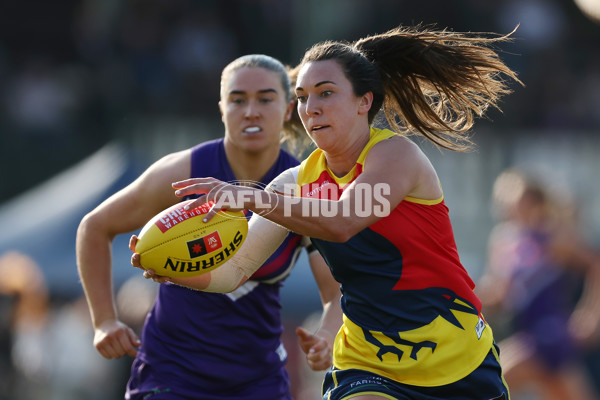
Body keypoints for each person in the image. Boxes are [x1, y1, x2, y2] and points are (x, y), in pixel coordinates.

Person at [134, 25, 524, 399]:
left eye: (325, 93)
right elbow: (233, 271)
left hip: (457, 355)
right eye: (302, 97)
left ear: (363, 102)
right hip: (368, 360)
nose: (310, 108)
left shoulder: (396, 155)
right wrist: (172, 268)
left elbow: (343, 221)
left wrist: (252, 197)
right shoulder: (293, 182)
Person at [76, 54, 342, 400]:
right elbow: (94, 227)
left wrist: (326, 333)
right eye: (237, 100)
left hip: (257, 379)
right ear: (221, 109)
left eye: (265, 98)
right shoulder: (181, 173)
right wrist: (104, 322)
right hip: (171, 369)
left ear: (289, 108)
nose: (251, 111)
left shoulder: (303, 186)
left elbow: (335, 291)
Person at [477, 169, 600, 400]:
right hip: (524, 328)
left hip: (550, 333)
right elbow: (499, 295)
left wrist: (592, 315)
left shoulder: (553, 236)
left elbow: (595, 264)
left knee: (490, 380)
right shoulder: (503, 240)